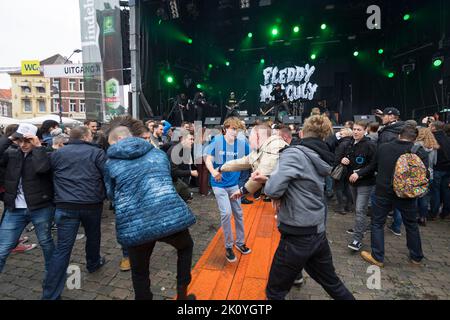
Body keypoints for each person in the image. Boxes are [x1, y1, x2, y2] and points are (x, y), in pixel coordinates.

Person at [256, 115, 354, 300]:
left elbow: (273, 189)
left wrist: (270, 185)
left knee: (275, 292)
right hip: (317, 230)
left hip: (297, 234)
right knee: (332, 283)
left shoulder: (294, 153)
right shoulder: (322, 155)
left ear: (301, 132)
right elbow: (302, 183)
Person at [104, 126, 196, 300]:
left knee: (139, 272)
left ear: (116, 141)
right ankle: (182, 295)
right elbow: (167, 178)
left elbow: (111, 195)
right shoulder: (158, 154)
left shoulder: (110, 163)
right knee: (186, 246)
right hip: (168, 215)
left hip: (135, 224)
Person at [42, 126, 107, 300]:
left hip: (65, 204)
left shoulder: (57, 154)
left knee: (62, 248)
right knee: (93, 236)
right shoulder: (97, 153)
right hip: (91, 203)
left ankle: (50, 295)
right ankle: (93, 263)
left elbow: (49, 175)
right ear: (87, 136)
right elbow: (106, 175)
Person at [361, 126, 428, 267]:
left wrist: (359, 173)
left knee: (378, 223)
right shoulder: (419, 151)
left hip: (383, 192)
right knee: (411, 225)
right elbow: (424, 175)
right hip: (406, 194)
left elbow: (373, 166)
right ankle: (416, 257)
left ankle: (377, 257)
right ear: (415, 139)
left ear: (399, 135)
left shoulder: (383, 148)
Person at [0, 123, 55, 276]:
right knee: (3, 248)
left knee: (45, 242)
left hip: (40, 207)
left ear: (35, 139)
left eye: (27, 140)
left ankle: (52, 275)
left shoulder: (46, 152)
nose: (23, 144)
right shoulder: (11, 153)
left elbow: (42, 168)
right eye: (20, 140)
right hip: (15, 209)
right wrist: (10, 138)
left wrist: (37, 147)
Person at [204, 117, 252, 263]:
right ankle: (228, 246)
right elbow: (208, 159)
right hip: (218, 184)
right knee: (226, 213)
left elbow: (252, 158)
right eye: (232, 128)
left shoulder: (242, 144)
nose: (235, 132)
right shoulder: (217, 141)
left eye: (237, 129)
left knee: (238, 213)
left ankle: (240, 242)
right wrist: (213, 172)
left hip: (233, 185)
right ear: (225, 129)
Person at [218, 125, 289, 202]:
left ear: (257, 136)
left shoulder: (275, 145)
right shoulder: (261, 149)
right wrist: (221, 168)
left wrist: (242, 191)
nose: (249, 140)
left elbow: (263, 173)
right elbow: (243, 162)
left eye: (250, 136)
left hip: (292, 195)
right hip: (282, 194)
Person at [340, 121, 377, 251]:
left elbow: (373, 165)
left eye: (359, 130)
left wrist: (360, 173)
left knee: (360, 210)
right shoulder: (350, 143)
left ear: (365, 130)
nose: (356, 132)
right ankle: (359, 228)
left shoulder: (370, 145)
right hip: (352, 182)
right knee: (357, 209)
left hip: (365, 183)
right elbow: (347, 158)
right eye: (354, 129)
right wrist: (343, 160)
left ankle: (357, 239)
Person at [415, 127, 440, 226]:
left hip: (417, 174)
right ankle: (423, 217)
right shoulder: (433, 146)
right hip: (429, 174)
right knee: (424, 197)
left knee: (415, 196)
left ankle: (413, 216)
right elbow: (435, 162)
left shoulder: (416, 145)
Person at [167, 130, 197, 202]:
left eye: (193, 139)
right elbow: (173, 171)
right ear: (182, 139)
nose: (192, 141)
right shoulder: (176, 150)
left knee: (187, 194)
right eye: (190, 139)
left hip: (176, 179)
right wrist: (190, 172)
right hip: (169, 180)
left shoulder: (182, 148)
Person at [429, 121, 450, 220]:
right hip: (448, 168)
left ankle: (433, 212)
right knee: (446, 190)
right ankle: (445, 212)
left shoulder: (433, 138)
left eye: (430, 126)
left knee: (435, 191)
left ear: (434, 128)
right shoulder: (447, 138)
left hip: (437, 168)